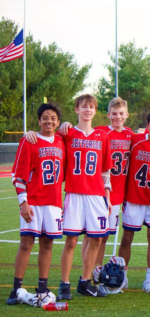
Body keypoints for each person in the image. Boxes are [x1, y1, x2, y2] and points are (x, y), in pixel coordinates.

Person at [7, 104, 65, 305]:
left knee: (47, 244)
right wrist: (23, 202)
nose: (49, 121)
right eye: (45, 118)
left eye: (54, 118)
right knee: (26, 243)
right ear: (39, 121)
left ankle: (42, 287)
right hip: (33, 201)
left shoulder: (61, 140)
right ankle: (16, 289)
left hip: (53, 203)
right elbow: (19, 176)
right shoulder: (29, 140)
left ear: (58, 122)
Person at [59, 94, 112, 298]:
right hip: (74, 193)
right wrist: (63, 125)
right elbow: (50, 135)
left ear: (95, 111)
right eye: (84, 106)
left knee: (96, 239)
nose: (88, 110)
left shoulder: (102, 136)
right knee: (71, 240)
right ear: (76, 109)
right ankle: (64, 284)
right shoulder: (69, 133)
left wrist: (106, 197)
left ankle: (85, 281)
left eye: (91, 106)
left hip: (96, 195)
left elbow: (105, 171)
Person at [118, 111, 150, 292]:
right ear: (148, 126)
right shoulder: (136, 140)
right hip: (134, 197)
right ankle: (122, 276)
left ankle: (149, 278)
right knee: (126, 238)